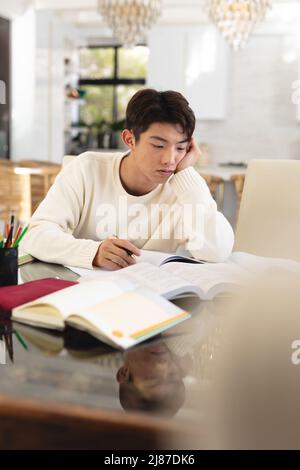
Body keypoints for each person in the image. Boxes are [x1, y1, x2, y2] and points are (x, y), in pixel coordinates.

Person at [21, 89, 234, 270]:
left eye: (180, 148)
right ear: (129, 139)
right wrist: (92, 252)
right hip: (83, 295)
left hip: (150, 299)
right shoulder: (87, 169)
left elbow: (216, 251)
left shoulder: (183, 189)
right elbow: (36, 234)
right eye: (158, 146)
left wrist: (186, 175)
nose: (170, 159)